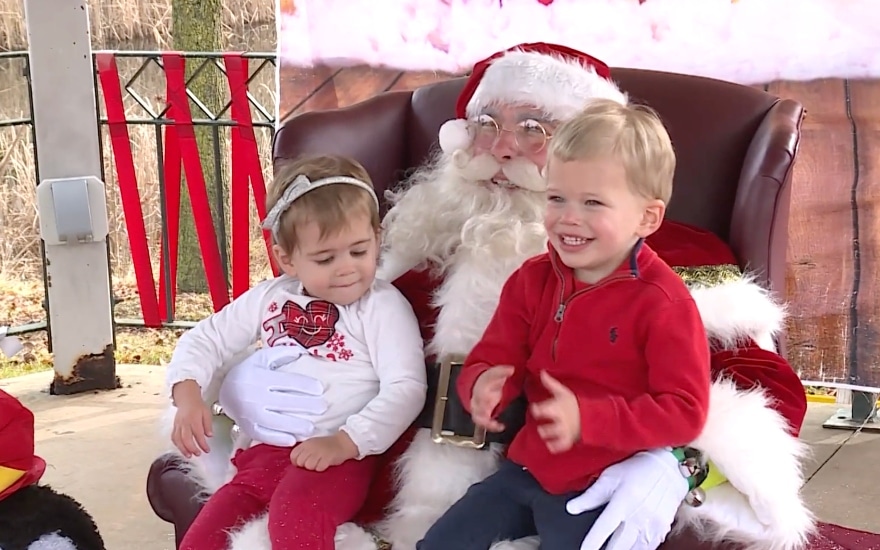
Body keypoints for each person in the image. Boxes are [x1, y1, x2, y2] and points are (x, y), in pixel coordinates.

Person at [164, 43, 813, 550]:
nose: (501, 148)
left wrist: (678, 466)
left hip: (561, 486)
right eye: (486, 122)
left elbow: (766, 391)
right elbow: (281, 322)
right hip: (361, 490)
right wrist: (236, 388)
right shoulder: (398, 248)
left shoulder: (672, 259)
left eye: (535, 127)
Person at [417, 99, 713, 550]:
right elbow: (496, 354)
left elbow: (685, 411)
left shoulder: (664, 302)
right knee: (439, 544)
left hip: (603, 481)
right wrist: (482, 385)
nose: (568, 217)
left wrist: (590, 419)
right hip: (527, 467)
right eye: (556, 198)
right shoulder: (531, 279)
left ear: (647, 217)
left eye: (593, 203)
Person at [165, 155, 427, 550]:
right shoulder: (271, 298)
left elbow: (406, 386)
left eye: (359, 251)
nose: (346, 269)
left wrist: (345, 442)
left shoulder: (381, 306)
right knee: (204, 537)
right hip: (263, 456)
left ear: (377, 237)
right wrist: (187, 397)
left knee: (296, 520)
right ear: (287, 258)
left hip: (338, 458)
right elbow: (205, 339)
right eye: (325, 258)